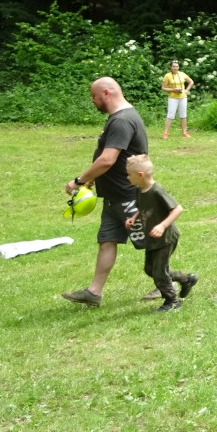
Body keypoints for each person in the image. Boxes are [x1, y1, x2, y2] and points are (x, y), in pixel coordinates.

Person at [61, 77, 150, 307]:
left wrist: (80, 180)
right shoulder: (119, 117)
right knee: (107, 241)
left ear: (107, 93)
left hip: (128, 195)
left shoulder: (122, 121)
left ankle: (175, 280)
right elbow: (113, 158)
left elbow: (107, 159)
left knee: (151, 241)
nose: (92, 100)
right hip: (113, 196)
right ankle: (94, 292)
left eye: (94, 95)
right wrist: (94, 178)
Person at [124, 154, 198, 312]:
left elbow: (178, 209)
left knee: (158, 272)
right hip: (153, 239)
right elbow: (142, 207)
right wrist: (134, 218)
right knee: (150, 269)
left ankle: (172, 301)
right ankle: (186, 279)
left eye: (129, 174)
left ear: (140, 175)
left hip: (166, 238)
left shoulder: (157, 191)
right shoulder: (139, 190)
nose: (127, 177)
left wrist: (162, 226)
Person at [161, 60, 194, 138]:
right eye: (174, 66)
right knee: (170, 115)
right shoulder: (167, 76)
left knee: (183, 115)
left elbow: (191, 82)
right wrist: (173, 90)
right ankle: (165, 133)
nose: (175, 68)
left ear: (179, 67)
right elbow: (163, 88)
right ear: (171, 67)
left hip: (183, 97)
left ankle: (184, 132)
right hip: (173, 98)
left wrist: (186, 90)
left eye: (177, 66)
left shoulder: (182, 74)